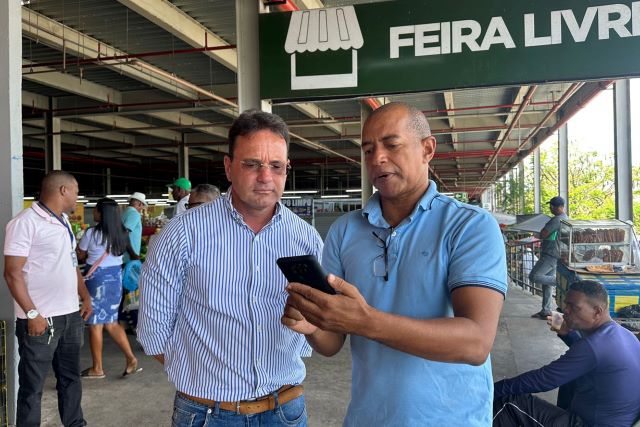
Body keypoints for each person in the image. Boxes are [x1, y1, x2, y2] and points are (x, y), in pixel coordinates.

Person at [283, 102, 508, 426]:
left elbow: (475, 342)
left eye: (392, 145)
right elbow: (332, 343)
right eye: (368, 149)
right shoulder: (345, 231)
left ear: (427, 149)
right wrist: (313, 325)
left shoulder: (468, 226)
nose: (377, 158)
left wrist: (366, 321)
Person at [137, 110, 323, 426]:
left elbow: (312, 330)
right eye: (252, 164)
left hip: (285, 410)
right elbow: (154, 331)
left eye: (276, 166)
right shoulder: (184, 234)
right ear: (229, 167)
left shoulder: (305, 238)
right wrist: (201, 378)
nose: (266, 176)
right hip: (207, 413)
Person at [4, 170, 92, 427]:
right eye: (76, 191)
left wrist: (84, 296)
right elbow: (12, 273)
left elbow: (72, 262)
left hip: (70, 316)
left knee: (71, 378)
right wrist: (33, 314)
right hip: (41, 321)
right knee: (33, 387)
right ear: (63, 190)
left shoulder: (63, 221)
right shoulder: (25, 222)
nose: (77, 197)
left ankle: (75, 423)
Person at [493, 280, 640, 427]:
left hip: (590, 423)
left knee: (508, 402)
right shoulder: (624, 334)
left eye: (573, 307)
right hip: (620, 420)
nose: (565, 311)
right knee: (570, 376)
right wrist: (567, 334)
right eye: (566, 304)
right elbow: (590, 359)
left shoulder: (594, 346)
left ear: (597, 312)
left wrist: (490, 390)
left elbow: (544, 379)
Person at [76, 198, 142, 379]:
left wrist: (83, 251)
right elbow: (130, 252)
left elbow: (80, 254)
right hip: (115, 279)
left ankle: (97, 368)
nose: (94, 213)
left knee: (95, 324)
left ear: (102, 214)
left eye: (96, 210)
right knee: (111, 322)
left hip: (97, 281)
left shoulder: (92, 233)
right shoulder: (121, 234)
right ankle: (131, 358)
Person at [530, 196, 568, 319]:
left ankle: (561, 283)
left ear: (558, 207)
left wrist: (540, 233)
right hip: (557, 254)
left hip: (550, 254)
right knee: (547, 284)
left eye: (552, 206)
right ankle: (545, 310)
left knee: (534, 276)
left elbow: (543, 233)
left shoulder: (557, 220)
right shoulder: (565, 218)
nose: (550, 208)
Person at [121, 191, 146, 263]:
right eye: (142, 205)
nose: (142, 208)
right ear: (139, 204)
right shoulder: (134, 214)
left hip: (123, 254)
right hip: (129, 255)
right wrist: (133, 254)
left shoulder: (124, 212)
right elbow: (124, 233)